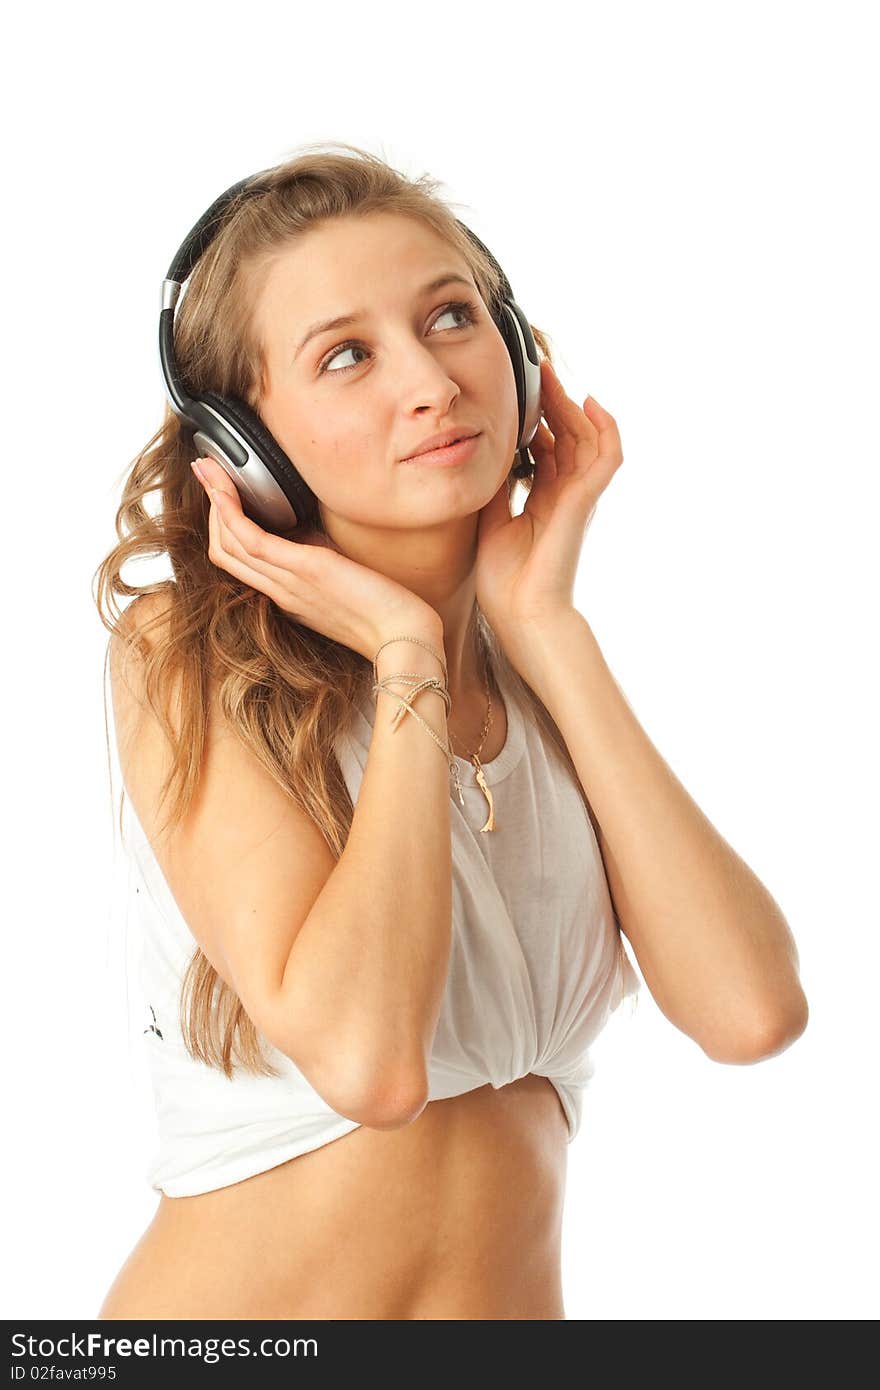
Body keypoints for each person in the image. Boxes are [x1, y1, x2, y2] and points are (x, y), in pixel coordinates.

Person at [93, 142, 808, 1320]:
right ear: (243, 444)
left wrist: (545, 624)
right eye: (347, 355)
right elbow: (370, 1061)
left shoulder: (539, 673)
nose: (429, 381)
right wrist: (405, 653)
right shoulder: (187, 652)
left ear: (521, 353)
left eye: (452, 318)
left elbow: (749, 1012)